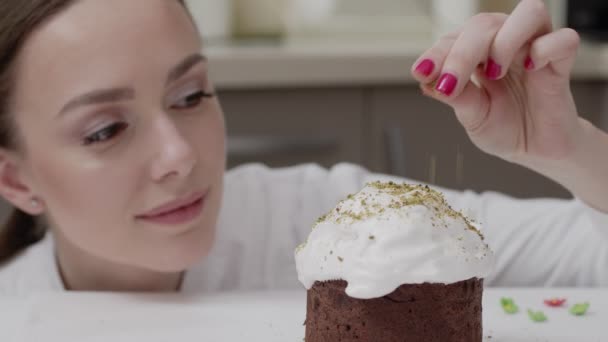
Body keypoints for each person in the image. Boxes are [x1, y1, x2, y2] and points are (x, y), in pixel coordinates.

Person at [0, 0, 606, 296]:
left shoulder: (331, 220)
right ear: (16, 180)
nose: (179, 155)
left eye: (190, 96)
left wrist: (563, 148)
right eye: (105, 131)